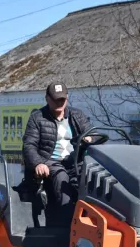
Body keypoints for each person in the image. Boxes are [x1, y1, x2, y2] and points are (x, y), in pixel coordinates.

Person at [22, 82, 92, 215]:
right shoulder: (37, 118)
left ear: (67, 98)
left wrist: (90, 138)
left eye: (62, 100)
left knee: (90, 179)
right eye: (55, 100)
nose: (59, 103)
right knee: (62, 178)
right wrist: (38, 163)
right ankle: (66, 224)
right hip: (49, 160)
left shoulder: (77, 115)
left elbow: (91, 132)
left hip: (74, 162)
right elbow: (29, 145)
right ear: (47, 98)